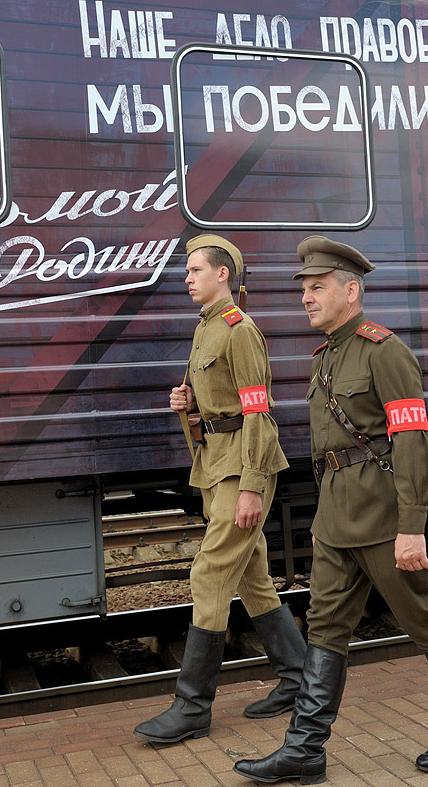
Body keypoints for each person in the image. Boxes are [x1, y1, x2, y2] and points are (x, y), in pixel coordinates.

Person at [233, 236, 428, 784]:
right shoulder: (325, 356)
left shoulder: (384, 350)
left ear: (352, 290)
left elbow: (413, 442)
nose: (306, 297)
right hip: (339, 523)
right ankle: (305, 749)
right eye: (303, 288)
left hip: (384, 519)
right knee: (323, 627)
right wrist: (323, 525)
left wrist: (411, 527)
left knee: (423, 619)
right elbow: (332, 457)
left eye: (317, 286)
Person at [134, 234, 304, 744]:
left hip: (242, 469)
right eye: (186, 271)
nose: (186, 278)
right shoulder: (206, 328)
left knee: (208, 574)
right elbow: (220, 402)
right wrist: (187, 402)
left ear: (223, 274)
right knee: (251, 577)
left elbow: (258, 413)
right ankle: (298, 679)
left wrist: (253, 487)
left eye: (195, 270)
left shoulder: (238, 330)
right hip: (216, 464)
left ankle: (192, 707)